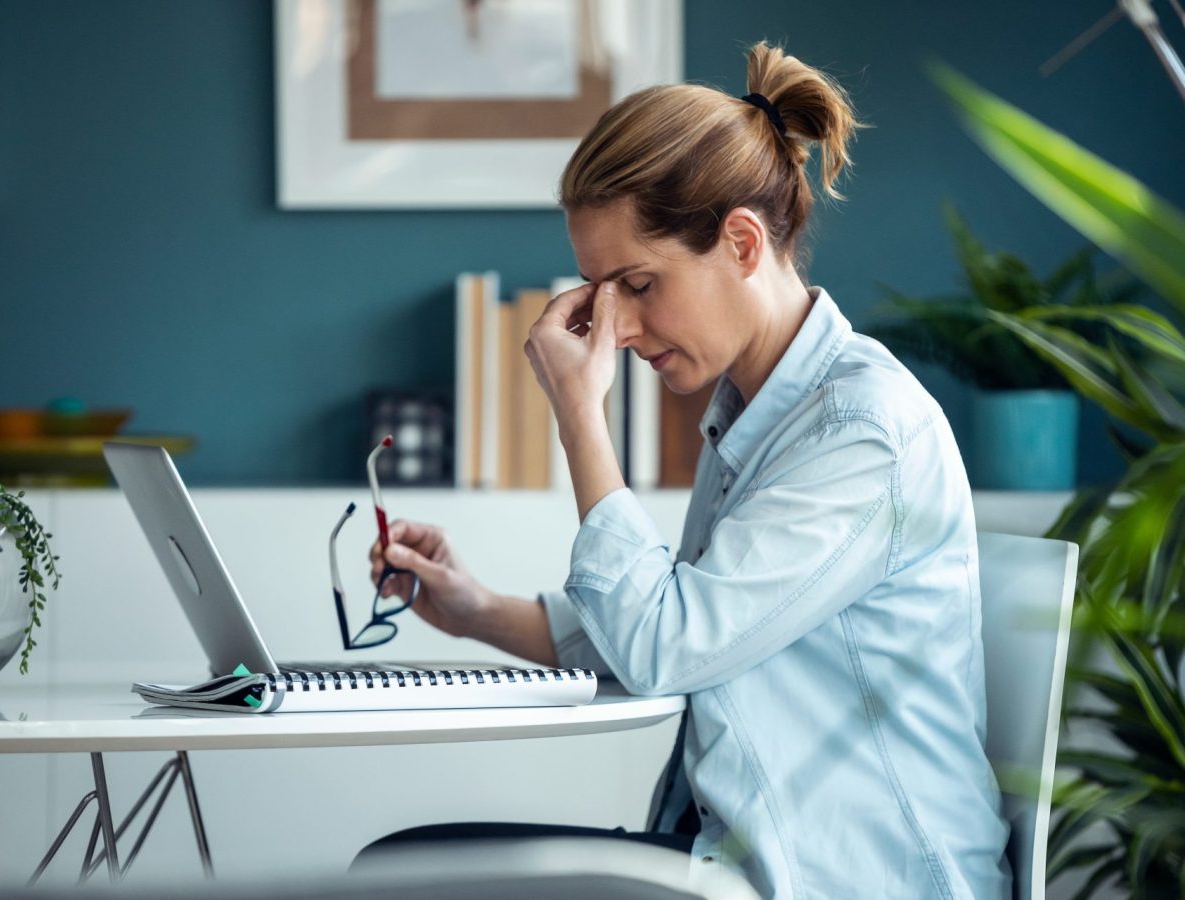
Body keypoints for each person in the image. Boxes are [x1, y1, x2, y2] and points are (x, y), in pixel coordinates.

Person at [358, 41, 1010, 900]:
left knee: (405, 874)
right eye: (598, 295)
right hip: (740, 859)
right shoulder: (756, 411)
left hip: (850, 881)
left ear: (742, 242)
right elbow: (671, 624)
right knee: (405, 863)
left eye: (638, 284)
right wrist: (475, 609)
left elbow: (664, 645)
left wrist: (579, 417)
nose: (616, 330)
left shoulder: (861, 434)